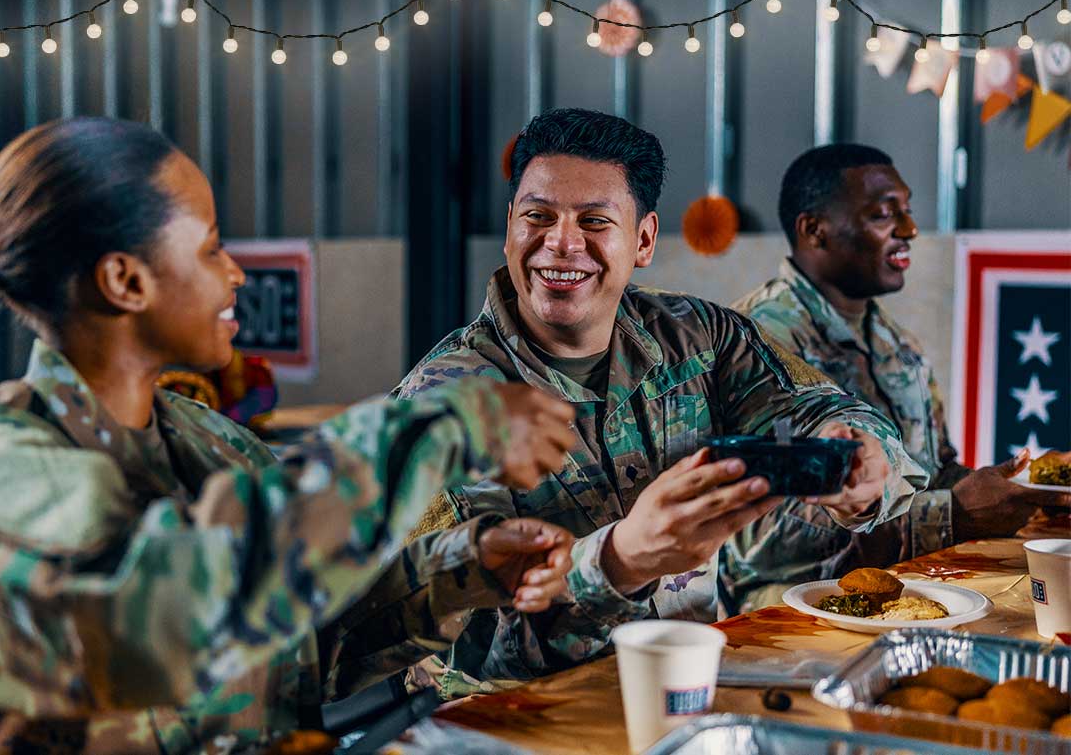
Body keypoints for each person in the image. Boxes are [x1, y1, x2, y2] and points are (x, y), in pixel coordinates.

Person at [0, 118, 580, 754]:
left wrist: (465, 569)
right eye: (211, 247)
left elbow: (298, 634)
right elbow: (170, 614)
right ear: (125, 279)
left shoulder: (212, 442)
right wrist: (439, 425)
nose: (235, 271)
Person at [393, 109, 927, 698]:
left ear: (643, 240)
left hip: (693, 692)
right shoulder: (439, 407)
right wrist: (620, 562)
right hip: (520, 724)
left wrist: (862, 462)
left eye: (595, 221)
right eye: (537, 216)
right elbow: (448, 649)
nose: (561, 243)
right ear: (510, 227)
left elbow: (823, 409)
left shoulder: (702, 336)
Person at [725, 144, 1067, 610]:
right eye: (884, 215)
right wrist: (953, 515)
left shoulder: (898, 343)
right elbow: (761, 537)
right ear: (815, 230)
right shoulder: (755, 342)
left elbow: (933, 468)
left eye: (907, 211)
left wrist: (1018, 489)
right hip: (786, 602)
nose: (909, 230)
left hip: (908, 581)